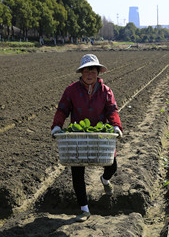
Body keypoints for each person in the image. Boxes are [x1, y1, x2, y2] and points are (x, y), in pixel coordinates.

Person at [51, 54, 123, 222]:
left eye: (93, 70)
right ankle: (84, 209)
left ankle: (105, 180)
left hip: (99, 135)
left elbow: (112, 110)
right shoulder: (71, 90)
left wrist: (116, 126)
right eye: (86, 70)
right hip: (79, 135)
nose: (89, 73)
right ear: (81, 72)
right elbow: (62, 109)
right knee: (77, 171)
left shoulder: (106, 91)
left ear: (98, 72)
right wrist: (56, 126)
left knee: (112, 165)